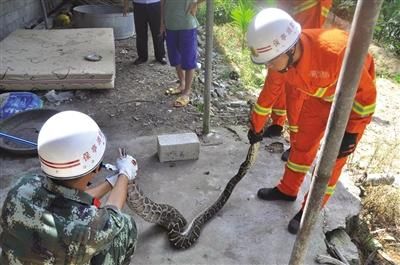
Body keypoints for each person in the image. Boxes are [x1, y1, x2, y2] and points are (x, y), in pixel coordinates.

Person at [246, 8, 376, 234]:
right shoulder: (280, 60)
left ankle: (310, 210)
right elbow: (268, 93)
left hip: (350, 104)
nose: (268, 66)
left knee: (331, 162)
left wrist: (352, 132)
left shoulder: (337, 54)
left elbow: (366, 97)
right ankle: (287, 190)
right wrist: (256, 127)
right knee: (302, 145)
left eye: (269, 61)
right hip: (321, 97)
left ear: (289, 49)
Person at [0, 111, 138, 264]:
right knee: (126, 227)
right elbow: (114, 215)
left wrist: (111, 182)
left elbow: (70, 199)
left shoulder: (23, 186)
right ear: (96, 169)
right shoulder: (90, 225)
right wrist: (125, 173)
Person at [264, 0, 333, 163]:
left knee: (296, 89)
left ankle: (297, 143)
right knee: (279, 72)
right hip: (288, 11)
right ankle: (277, 122)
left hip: (307, 17)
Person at [160, 0, 204, 108]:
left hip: (187, 24)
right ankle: (182, 84)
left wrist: (196, 3)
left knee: (189, 60)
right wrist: (162, 22)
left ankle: (186, 92)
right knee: (175, 58)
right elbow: (162, 2)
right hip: (170, 24)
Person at [124, 0, 167, 65]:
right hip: (138, 4)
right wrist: (126, 5)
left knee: (158, 31)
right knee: (140, 32)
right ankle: (142, 57)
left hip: (155, 4)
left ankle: (160, 55)